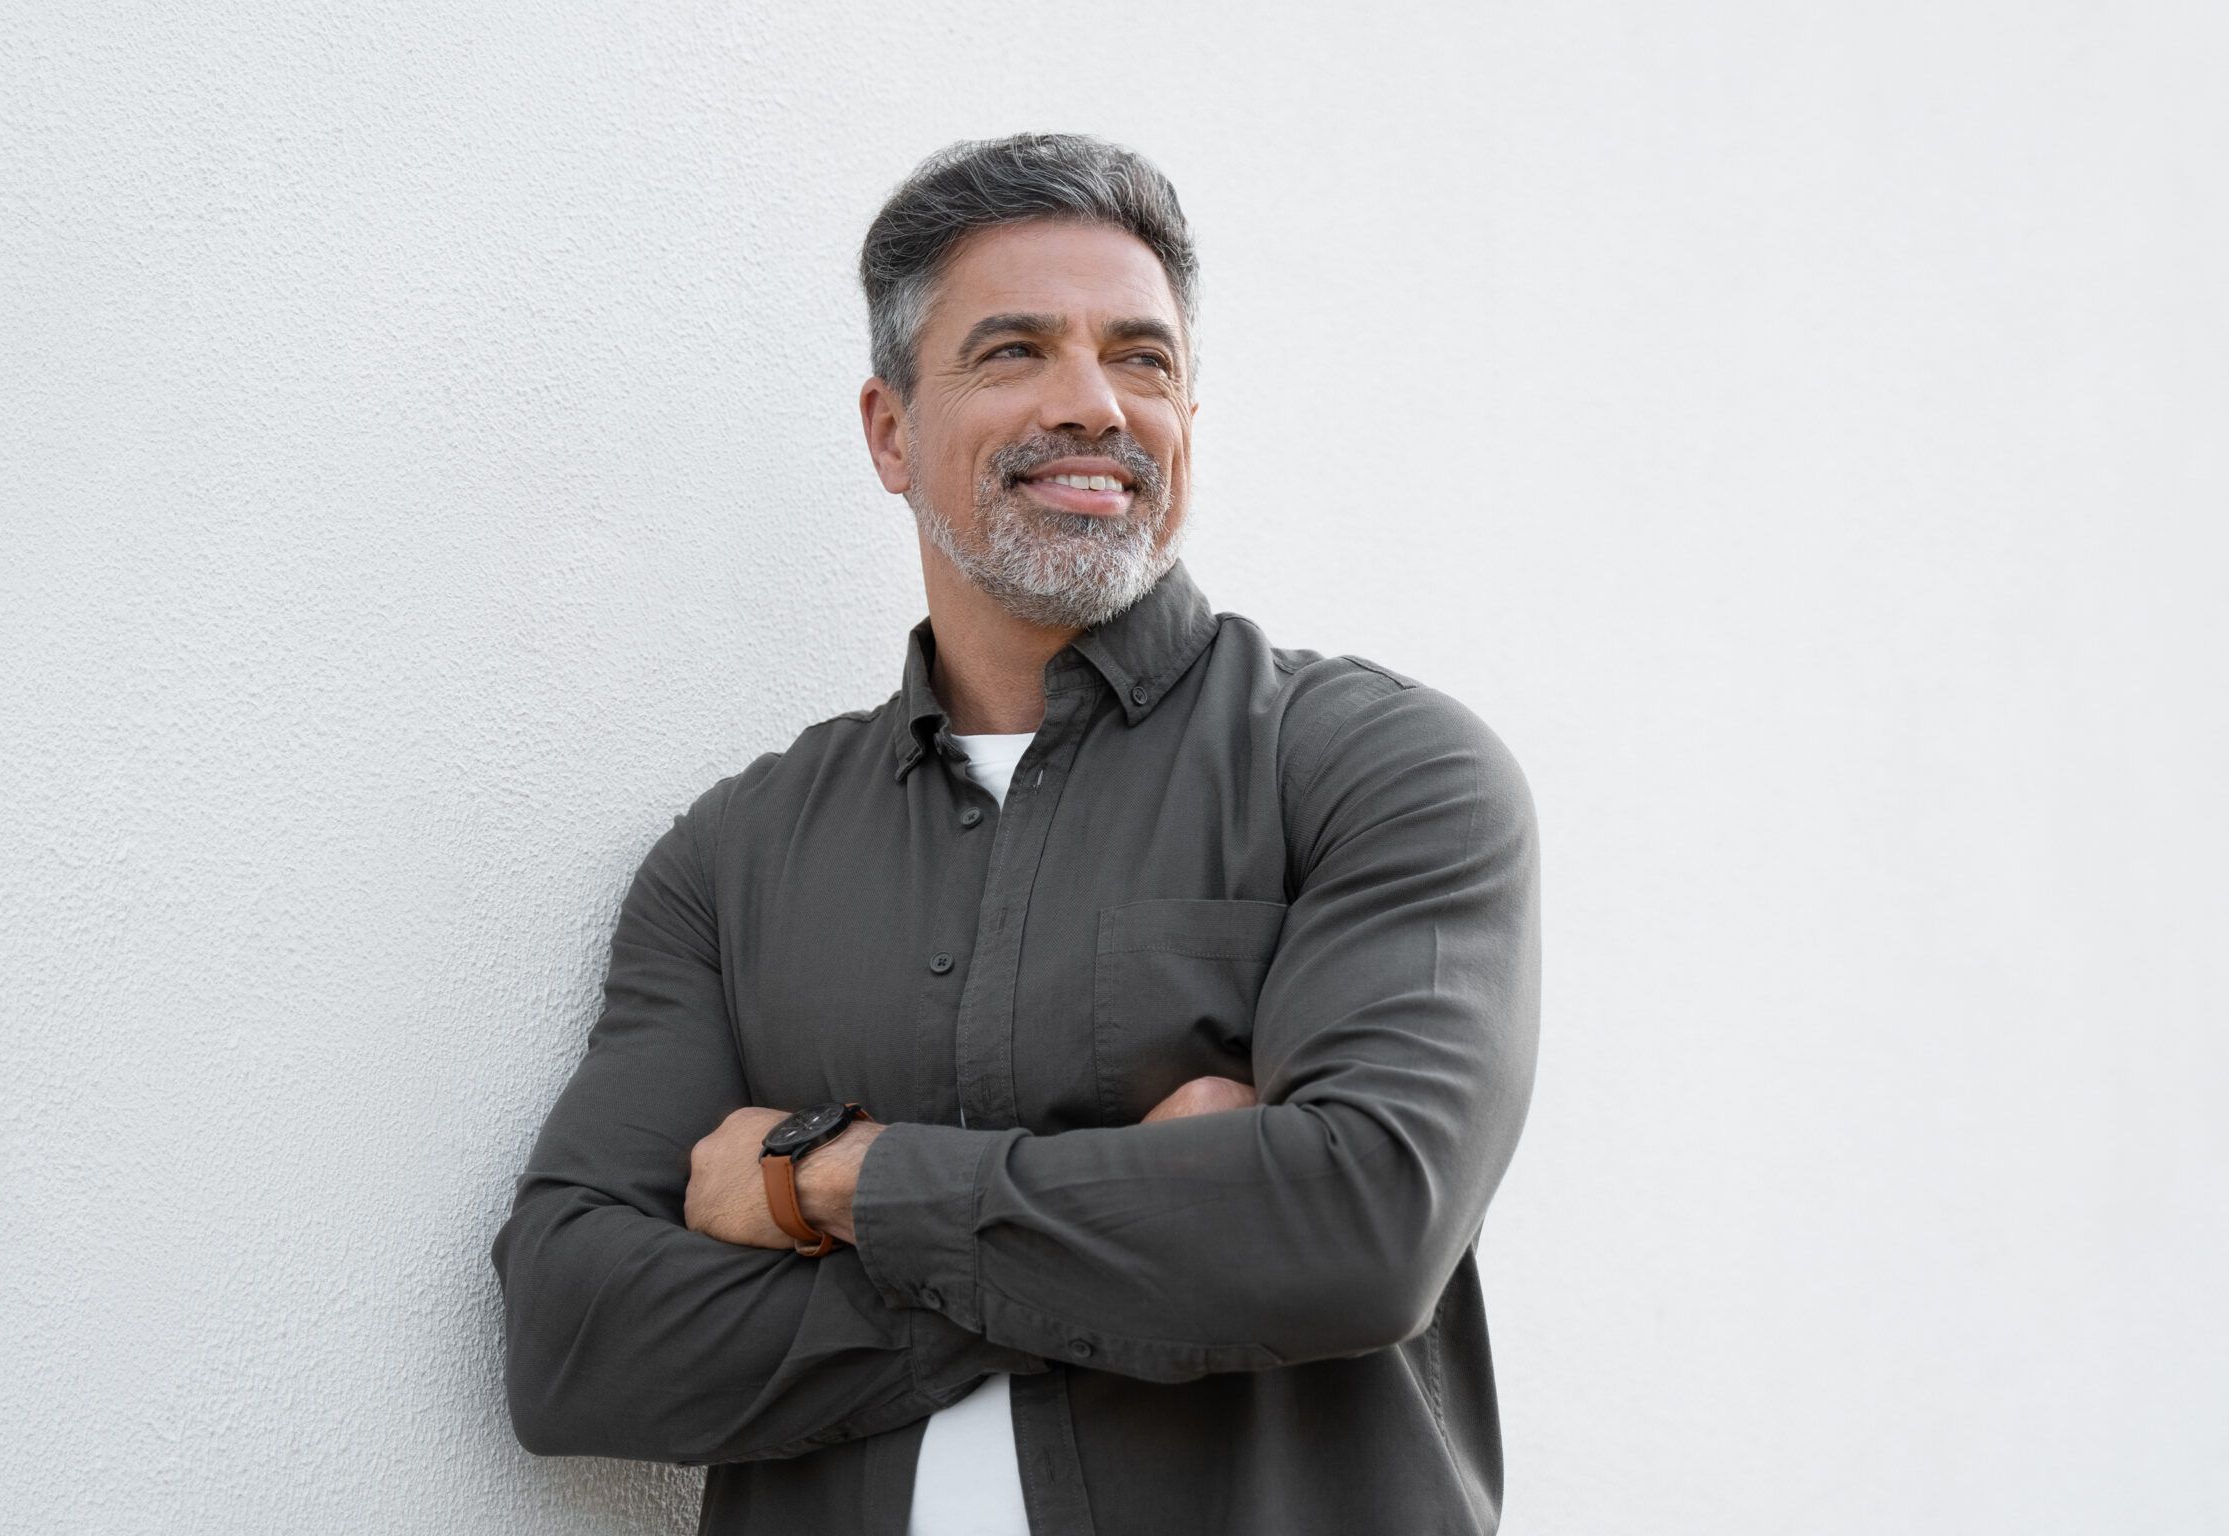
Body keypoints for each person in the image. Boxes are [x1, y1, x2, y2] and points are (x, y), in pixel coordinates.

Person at [491, 131, 1543, 1536]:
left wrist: (830, 1181)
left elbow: (1360, 1229)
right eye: (1015, 352)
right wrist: (1135, 1230)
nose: (1093, 404)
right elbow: (575, 1340)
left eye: (1142, 359)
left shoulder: (1380, 770)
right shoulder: (732, 859)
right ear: (890, 433)